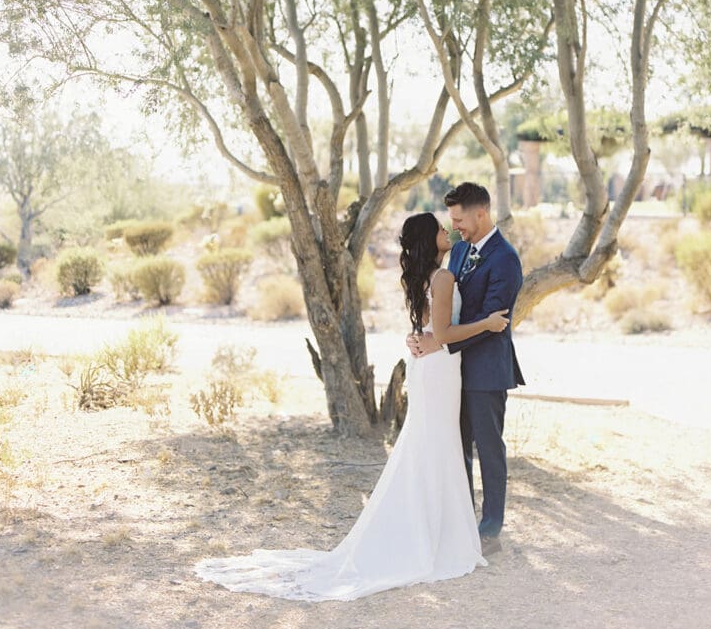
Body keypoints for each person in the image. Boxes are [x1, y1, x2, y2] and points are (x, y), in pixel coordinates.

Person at [193, 211, 508, 602]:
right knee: (436, 445)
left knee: (430, 446)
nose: (448, 231)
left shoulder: (428, 276)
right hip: (441, 367)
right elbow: (443, 333)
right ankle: (436, 536)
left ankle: (432, 530)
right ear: (431, 239)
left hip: (431, 366)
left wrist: (422, 336)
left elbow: (429, 329)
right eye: (441, 229)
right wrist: (488, 324)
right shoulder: (442, 278)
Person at [408, 182, 524, 557]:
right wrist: (422, 336)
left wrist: (439, 340)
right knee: (455, 449)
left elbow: (493, 318)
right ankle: (459, 524)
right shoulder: (457, 252)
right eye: (452, 220)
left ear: (481, 213)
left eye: (460, 219)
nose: (455, 226)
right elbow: (438, 305)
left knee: (489, 449)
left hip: (486, 369)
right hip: (450, 370)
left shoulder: (505, 259)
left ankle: (490, 530)